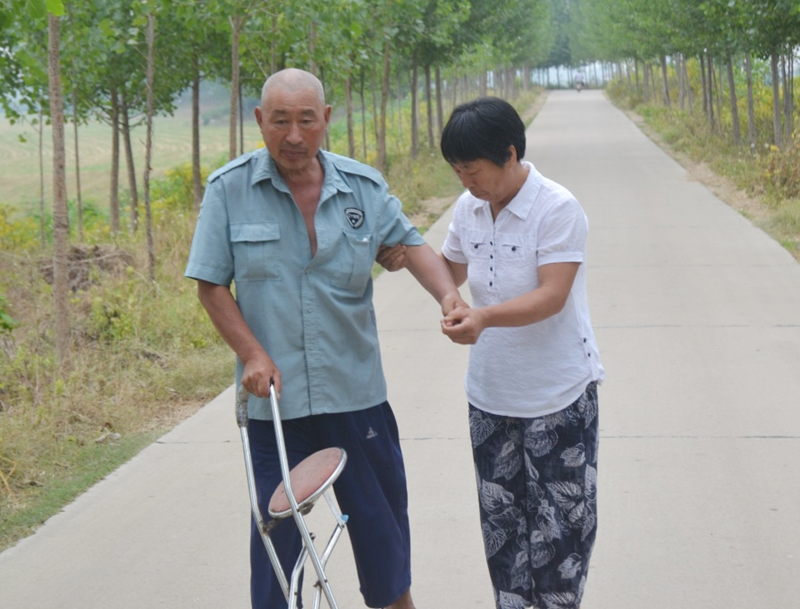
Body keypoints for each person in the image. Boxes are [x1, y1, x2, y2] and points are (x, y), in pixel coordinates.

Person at [184, 68, 466, 609]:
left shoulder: (362, 186)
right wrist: (251, 353)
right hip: (276, 404)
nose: (293, 135)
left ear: (327, 120)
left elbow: (412, 246)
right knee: (276, 542)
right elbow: (211, 285)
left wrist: (449, 297)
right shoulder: (229, 189)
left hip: (355, 394)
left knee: (384, 537)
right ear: (260, 120)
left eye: (306, 120)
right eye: (281, 121)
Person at [383, 97, 604, 609]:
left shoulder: (557, 208)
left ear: (509, 154)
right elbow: (451, 270)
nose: (465, 180)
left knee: (560, 533)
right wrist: (411, 263)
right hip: (490, 396)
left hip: (557, 396)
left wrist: (482, 317)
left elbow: (552, 296)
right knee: (504, 531)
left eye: (473, 168)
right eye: (456, 170)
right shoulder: (469, 208)